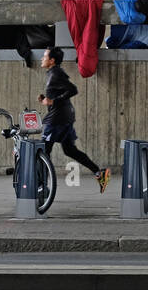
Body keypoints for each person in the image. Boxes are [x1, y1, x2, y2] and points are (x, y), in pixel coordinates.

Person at [38, 47, 109, 191]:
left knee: (42, 152)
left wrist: (53, 101)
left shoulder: (56, 73)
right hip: (64, 117)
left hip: (57, 119)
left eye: (44, 56)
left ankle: (41, 187)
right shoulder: (54, 73)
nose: (42, 58)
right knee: (70, 150)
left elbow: (72, 89)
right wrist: (46, 100)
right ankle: (99, 173)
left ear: (52, 60)